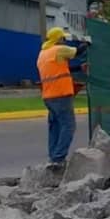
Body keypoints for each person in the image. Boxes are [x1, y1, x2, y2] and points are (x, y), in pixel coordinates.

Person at [37, 27, 89, 169]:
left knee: (55, 127)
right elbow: (78, 52)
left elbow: (61, 69)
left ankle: (53, 157)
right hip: (61, 94)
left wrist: (79, 68)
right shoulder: (59, 49)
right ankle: (59, 159)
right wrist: (87, 43)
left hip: (48, 96)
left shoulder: (43, 54)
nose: (65, 40)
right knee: (68, 126)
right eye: (63, 38)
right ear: (59, 39)